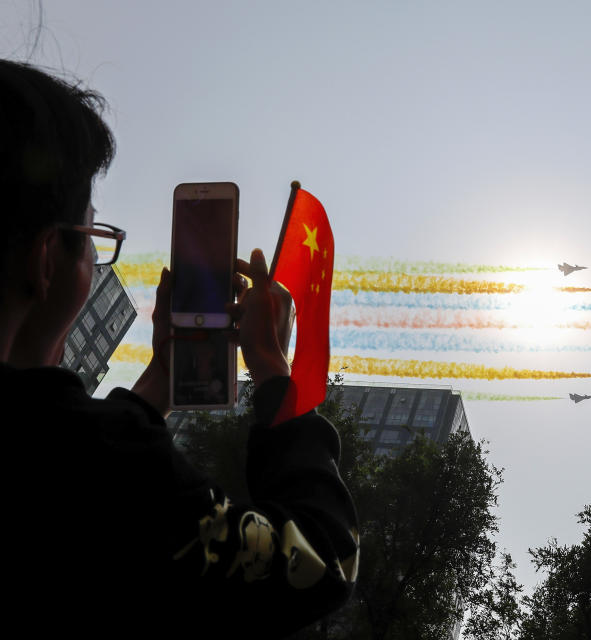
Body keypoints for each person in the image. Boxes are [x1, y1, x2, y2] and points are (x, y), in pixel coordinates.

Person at [0, 60, 359, 637]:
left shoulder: (95, 451)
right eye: (94, 239)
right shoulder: (98, 467)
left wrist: (161, 381)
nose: (95, 260)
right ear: (48, 260)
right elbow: (323, 563)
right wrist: (272, 373)